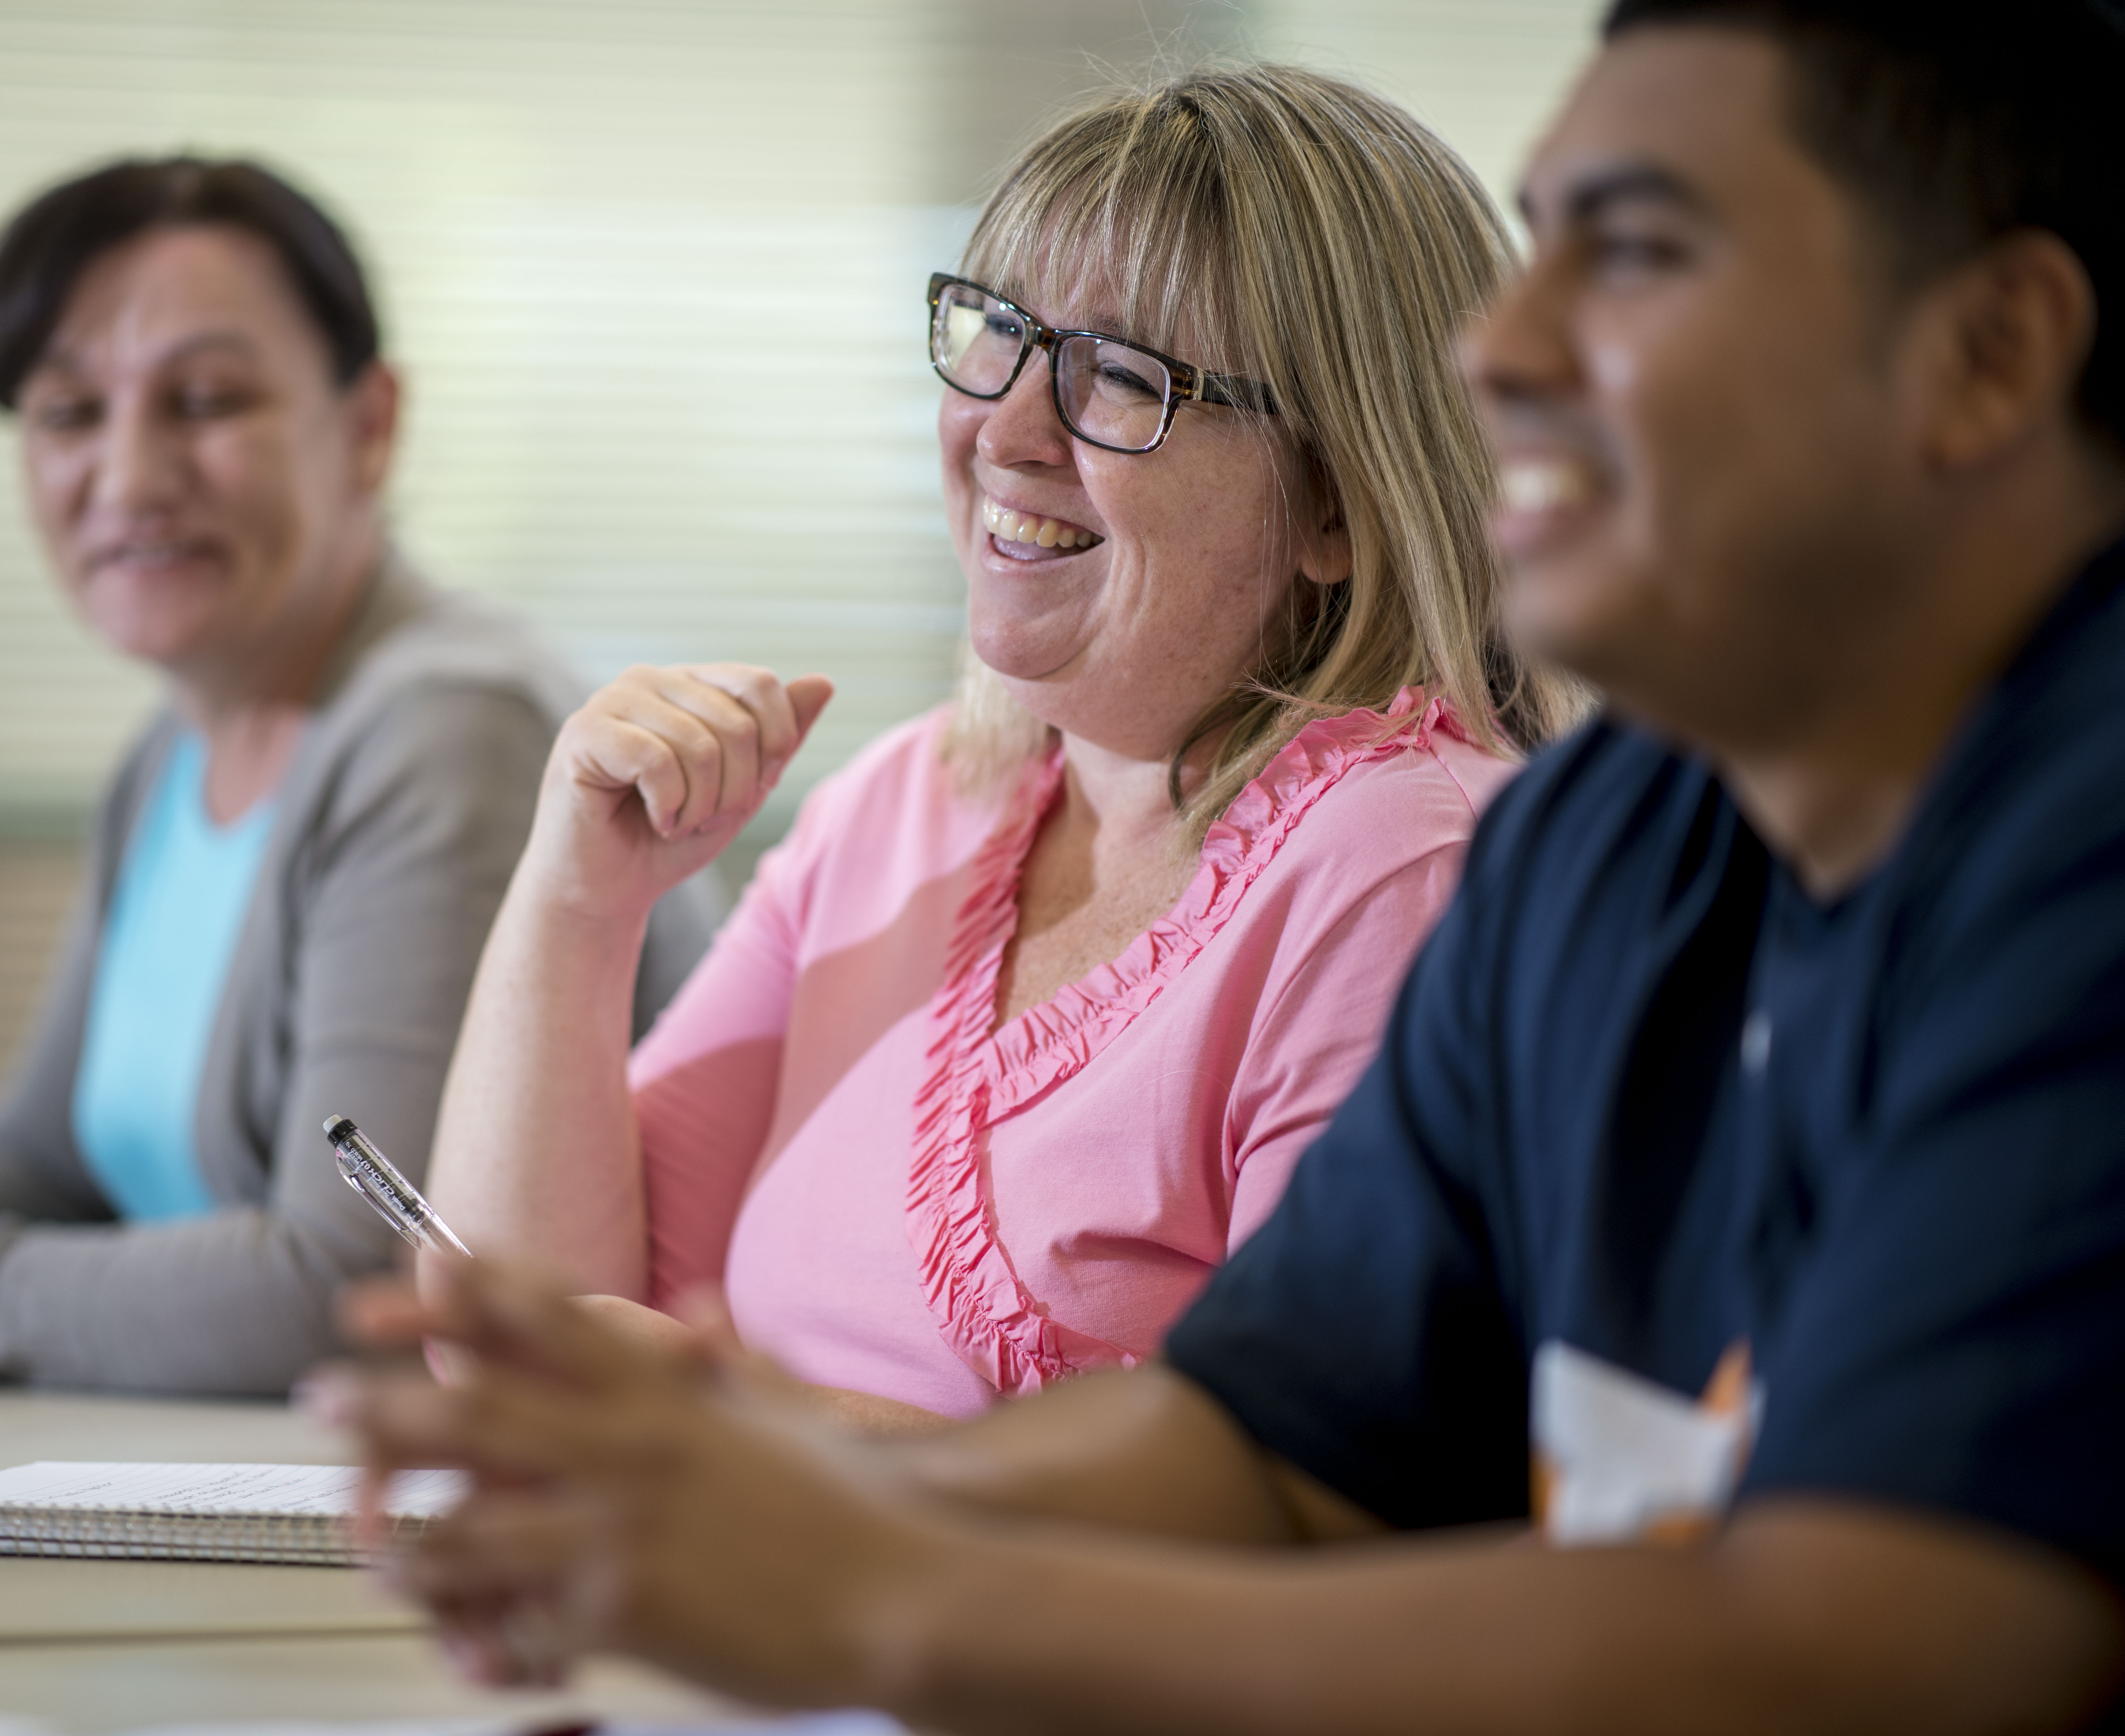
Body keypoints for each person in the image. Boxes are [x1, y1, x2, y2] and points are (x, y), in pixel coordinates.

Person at [312, 1, 2125, 1729]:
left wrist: (882, 1590)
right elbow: (1273, 1450)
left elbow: (1887, 1660)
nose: (1499, 352)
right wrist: (766, 1480)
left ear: (1985, 358)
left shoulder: (2074, 857)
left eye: (1636, 254)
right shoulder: (1611, 843)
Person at [426, 67, 1584, 1428]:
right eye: (999, 336)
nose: (1009, 432)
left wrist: (751, 1437)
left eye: (1123, 379)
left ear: (1338, 502)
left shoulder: (1410, 866)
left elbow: (1322, 1494)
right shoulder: (914, 799)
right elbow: (522, 1346)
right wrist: (579, 901)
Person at [0, 157, 715, 1394]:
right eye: (70, 415)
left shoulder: (448, 732)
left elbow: (358, 1284)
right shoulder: (175, 748)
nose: (128, 476)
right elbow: (46, 1169)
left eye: (205, 400)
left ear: (368, 426)